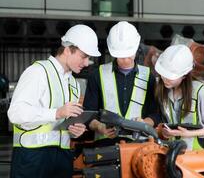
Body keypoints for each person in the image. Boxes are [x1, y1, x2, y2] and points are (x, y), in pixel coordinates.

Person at [7, 24, 101, 178]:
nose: (86, 63)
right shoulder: (38, 72)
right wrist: (56, 113)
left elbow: (63, 125)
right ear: (67, 49)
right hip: (32, 157)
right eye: (84, 56)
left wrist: (74, 132)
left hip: (62, 157)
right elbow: (16, 113)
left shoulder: (73, 84)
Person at [83, 21, 159, 146]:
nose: (125, 60)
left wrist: (144, 123)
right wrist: (100, 127)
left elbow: (155, 114)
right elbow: (88, 114)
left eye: (129, 55)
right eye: (121, 56)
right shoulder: (97, 75)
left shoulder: (148, 77)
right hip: (105, 146)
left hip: (138, 147)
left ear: (136, 49)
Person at [155, 44, 204, 150]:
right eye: (163, 74)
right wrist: (166, 133)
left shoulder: (201, 92)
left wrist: (188, 134)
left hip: (200, 155)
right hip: (175, 152)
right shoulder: (164, 90)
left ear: (184, 75)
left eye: (170, 76)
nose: (165, 79)